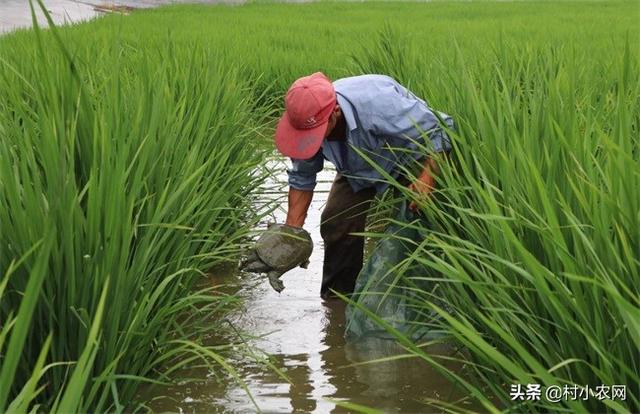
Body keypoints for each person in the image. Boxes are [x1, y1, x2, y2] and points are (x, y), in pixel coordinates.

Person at [275, 72, 453, 299]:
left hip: (409, 158)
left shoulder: (379, 103)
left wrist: (427, 178)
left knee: (414, 225)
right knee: (336, 222)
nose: (309, 139)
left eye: (314, 133)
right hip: (357, 167)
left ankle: (417, 299)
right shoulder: (303, 125)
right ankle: (338, 301)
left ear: (334, 114)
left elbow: (441, 129)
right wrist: (292, 235)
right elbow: (302, 178)